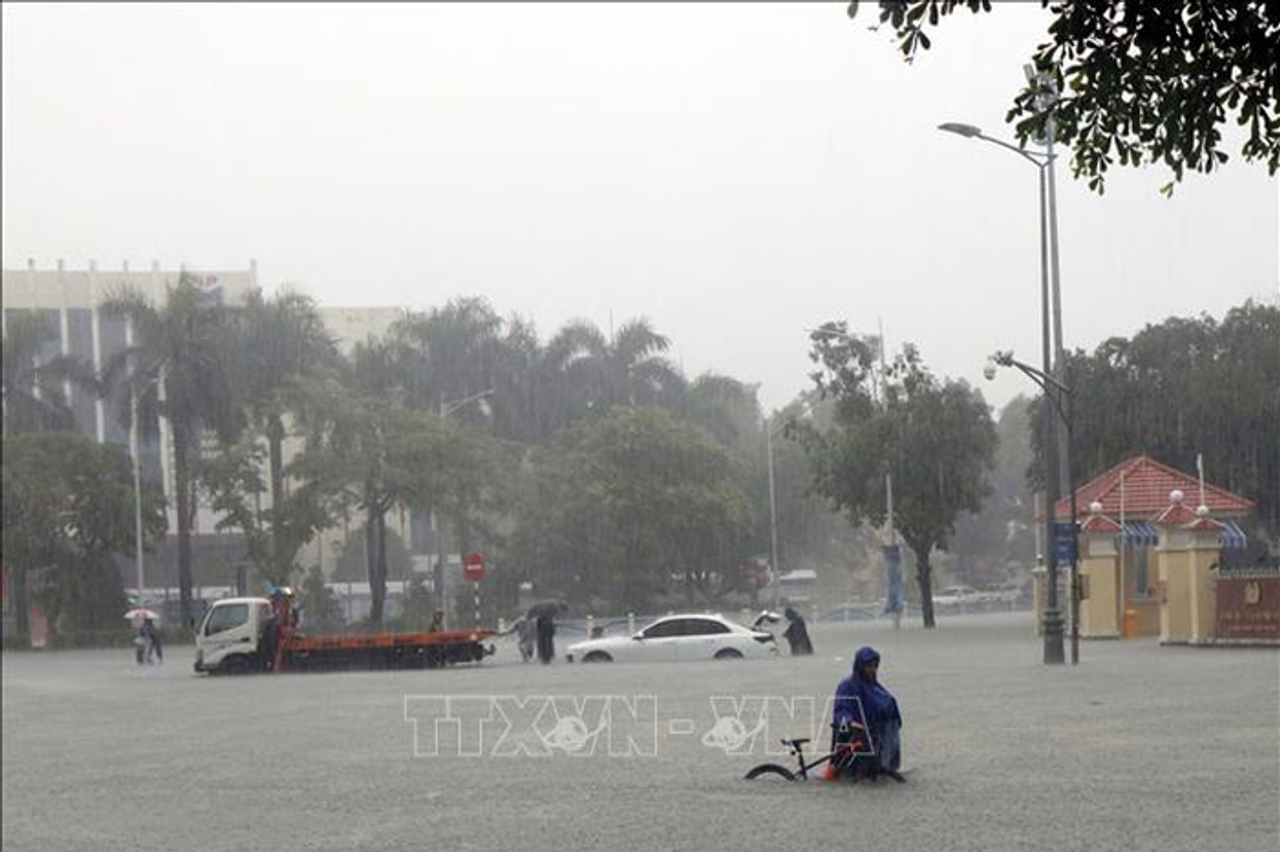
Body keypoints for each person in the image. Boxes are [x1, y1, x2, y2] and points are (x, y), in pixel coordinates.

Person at [830, 646, 903, 780]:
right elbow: (841, 710)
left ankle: (885, 767)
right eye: (868, 666)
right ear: (859, 666)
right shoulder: (847, 685)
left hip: (877, 734)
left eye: (875, 666)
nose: (872, 670)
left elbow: (888, 703)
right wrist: (851, 722)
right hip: (856, 735)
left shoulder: (875, 686)